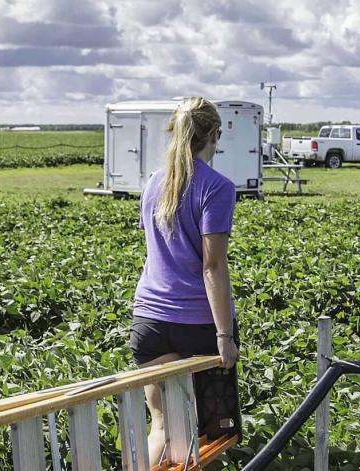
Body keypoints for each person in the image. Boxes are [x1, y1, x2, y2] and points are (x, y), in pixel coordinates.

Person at [130, 97, 240, 464]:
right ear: (214, 135)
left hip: (149, 321)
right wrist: (224, 336)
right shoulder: (217, 186)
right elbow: (212, 266)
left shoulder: (153, 184)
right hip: (197, 323)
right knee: (207, 432)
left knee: (161, 423)